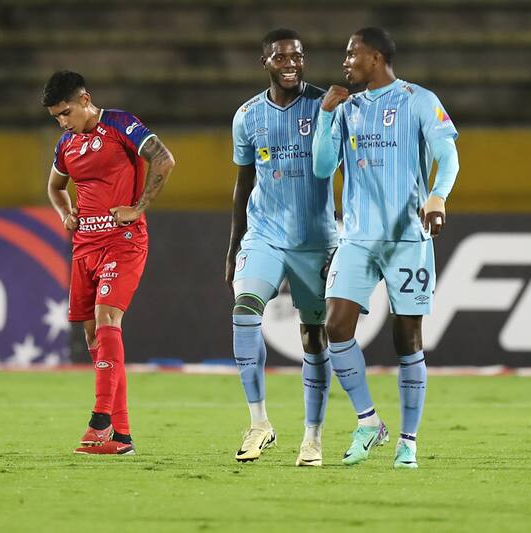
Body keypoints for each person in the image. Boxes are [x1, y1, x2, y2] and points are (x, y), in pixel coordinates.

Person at [312, 27, 460, 469]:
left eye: (352, 53)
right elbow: (323, 167)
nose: (345, 61)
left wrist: (438, 196)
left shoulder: (419, 99)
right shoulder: (345, 108)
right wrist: (324, 115)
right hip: (357, 237)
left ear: (375, 57)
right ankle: (368, 421)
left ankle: (408, 441)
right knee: (336, 326)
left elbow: (447, 155)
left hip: (407, 238)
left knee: (407, 339)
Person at [44, 70, 175, 455]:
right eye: (56, 117)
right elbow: (54, 186)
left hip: (123, 241)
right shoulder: (66, 144)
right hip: (84, 246)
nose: (62, 122)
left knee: (107, 320)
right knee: (92, 337)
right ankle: (122, 437)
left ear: (84, 99)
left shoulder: (120, 124)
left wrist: (138, 207)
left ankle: (100, 420)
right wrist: (65, 213)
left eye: (65, 112)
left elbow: (164, 160)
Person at [226, 29, 337, 466]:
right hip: (264, 235)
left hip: (315, 241)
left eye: (297, 56)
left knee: (313, 336)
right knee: (244, 310)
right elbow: (242, 184)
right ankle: (259, 424)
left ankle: (313, 437)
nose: (290, 63)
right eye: (280, 57)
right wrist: (233, 246)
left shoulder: (326, 105)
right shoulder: (248, 116)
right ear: (265, 63)